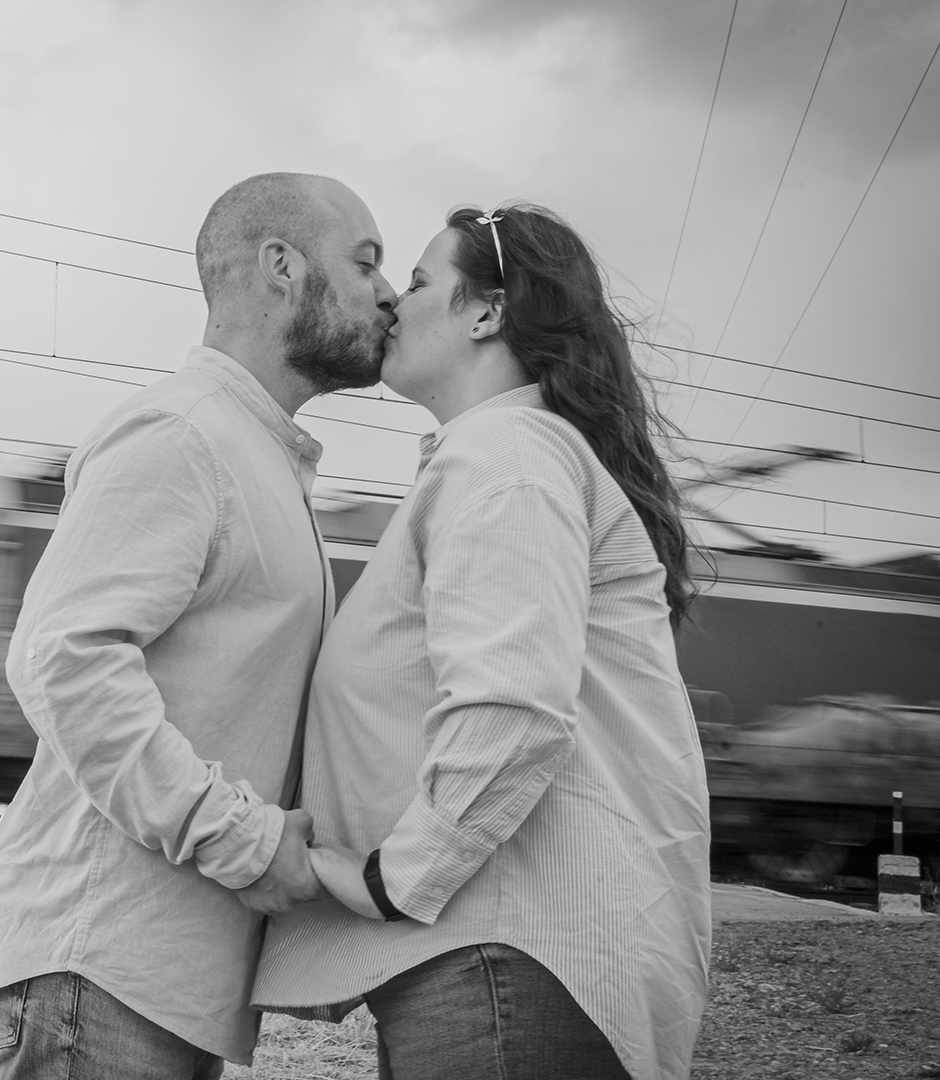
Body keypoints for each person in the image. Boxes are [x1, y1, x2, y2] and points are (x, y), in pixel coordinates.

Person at [251, 204, 712, 1080]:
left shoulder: (503, 456)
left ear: (486, 311)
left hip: (504, 957)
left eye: (419, 280)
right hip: (502, 959)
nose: (391, 301)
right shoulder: (505, 456)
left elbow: (513, 706)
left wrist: (394, 876)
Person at [0, 172, 398, 1079]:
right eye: (366, 264)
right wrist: (243, 842)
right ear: (282, 267)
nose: (388, 295)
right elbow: (65, 660)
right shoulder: (183, 435)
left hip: (147, 980)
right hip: (103, 966)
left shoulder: (256, 454)